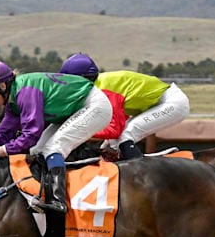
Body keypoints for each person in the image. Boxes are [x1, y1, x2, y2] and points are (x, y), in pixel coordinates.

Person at [0, 60, 112, 214]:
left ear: (2, 86)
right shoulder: (13, 99)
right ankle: (43, 192)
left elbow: (30, 136)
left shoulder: (25, 92)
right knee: (37, 150)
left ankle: (58, 201)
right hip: (73, 109)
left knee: (53, 148)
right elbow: (2, 136)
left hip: (95, 106)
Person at [59, 53, 190, 160]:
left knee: (126, 135)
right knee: (111, 143)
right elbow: (118, 119)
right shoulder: (99, 84)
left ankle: (141, 170)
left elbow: (114, 130)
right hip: (159, 102)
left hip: (172, 103)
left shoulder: (104, 90)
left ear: (83, 79)